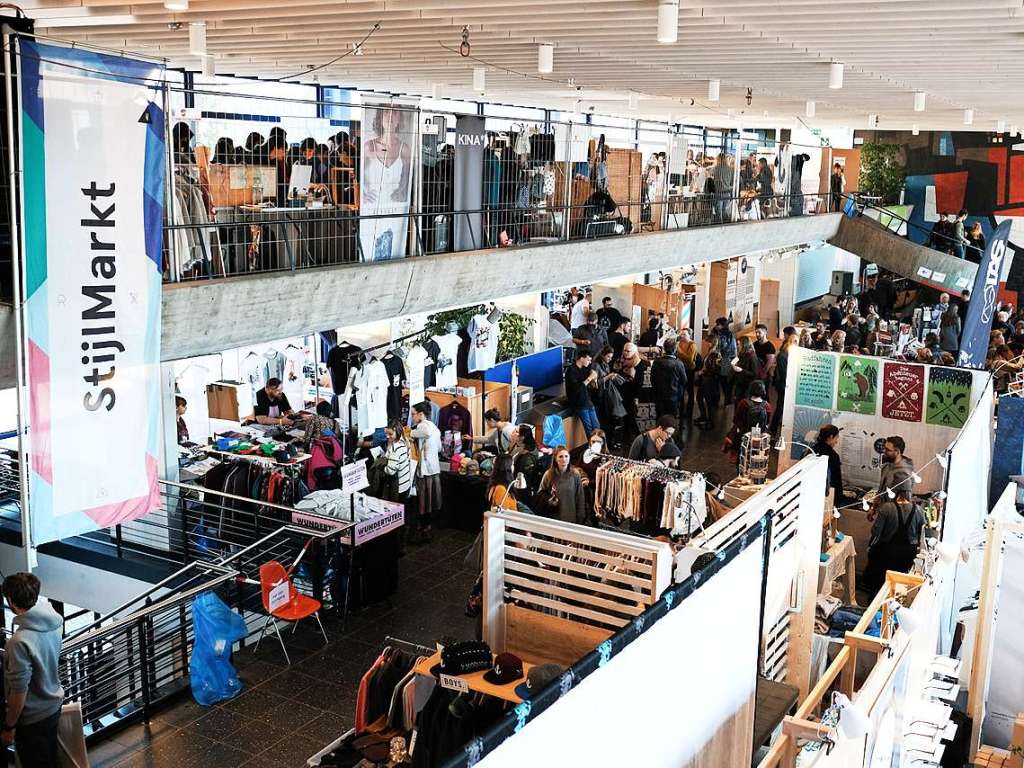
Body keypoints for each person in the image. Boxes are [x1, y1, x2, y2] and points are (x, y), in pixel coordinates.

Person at [1, 573, 64, 768]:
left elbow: (19, 692)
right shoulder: (54, 621)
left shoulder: (18, 642)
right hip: (53, 705)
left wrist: (9, 726)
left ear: (11, 601)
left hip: (32, 718)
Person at [863, 486, 927, 594]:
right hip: (908, 554)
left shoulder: (886, 508)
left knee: (881, 583)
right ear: (909, 494)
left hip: (888, 552)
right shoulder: (919, 510)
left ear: (895, 493)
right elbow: (922, 533)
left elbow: (875, 532)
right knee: (900, 585)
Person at [410, 402, 442, 543]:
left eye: (413, 414)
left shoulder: (423, 426)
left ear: (420, 414)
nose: (412, 417)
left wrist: (409, 432)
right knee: (430, 500)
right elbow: (440, 448)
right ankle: (427, 527)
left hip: (426, 469)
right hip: (434, 467)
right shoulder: (434, 427)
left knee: (423, 501)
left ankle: (423, 528)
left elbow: (425, 433)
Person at [537, 446, 586, 524]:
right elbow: (541, 493)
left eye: (566, 456)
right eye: (560, 456)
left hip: (571, 517)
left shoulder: (575, 474)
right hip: (553, 517)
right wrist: (549, 500)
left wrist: (581, 516)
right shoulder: (548, 474)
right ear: (556, 459)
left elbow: (580, 497)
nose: (564, 459)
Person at [812, 425, 856, 505]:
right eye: (836, 438)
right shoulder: (833, 456)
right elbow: (836, 482)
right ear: (831, 437)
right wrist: (840, 499)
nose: (836, 441)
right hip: (827, 499)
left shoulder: (810, 451)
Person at [731, 381, 773, 458]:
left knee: (742, 458)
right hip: (759, 438)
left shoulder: (743, 403)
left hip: (745, 435)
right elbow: (767, 423)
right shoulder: (767, 406)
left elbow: (736, 420)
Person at [565, 350, 600, 437]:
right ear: (581, 358)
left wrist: (594, 380)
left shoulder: (585, 369)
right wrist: (589, 378)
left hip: (588, 401)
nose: (590, 362)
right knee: (589, 430)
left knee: (597, 428)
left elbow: (593, 388)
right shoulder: (571, 371)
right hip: (579, 404)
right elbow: (577, 389)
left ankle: (599, 447)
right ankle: (592, 448)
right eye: (588, 359)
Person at [650, 338, 688, 423]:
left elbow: (652, 379)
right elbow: (684, 380)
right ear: (675, 349)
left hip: (659, 395)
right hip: (674, 396)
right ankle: (670, 435)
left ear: (664, 348)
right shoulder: (679, 363)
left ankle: (658, 435)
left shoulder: (657, 362)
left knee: (659, 417)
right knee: (671, 419)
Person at [770, 327, 798, 434]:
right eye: (794, 341)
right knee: (780, 407)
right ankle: (773, 429)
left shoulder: (793, 354)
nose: (796, 343)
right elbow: (783, 373)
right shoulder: (783, 355)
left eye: (797, 341)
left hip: (789, 385)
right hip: (783, 386)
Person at [877, 436, 915, 502]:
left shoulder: (903, 474)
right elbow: (881, 490)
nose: (884, 451)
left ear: (897, 452)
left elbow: (904, 502)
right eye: (884, 448)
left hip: (891, 510)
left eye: (887, 450)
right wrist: (873, 507)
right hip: (881, 508)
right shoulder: (887, 466)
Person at [382, 419, 412, 503]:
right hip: (406, 482)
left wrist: (383, 468)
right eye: (386, 434)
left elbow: (391, 471)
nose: (388, 436)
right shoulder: (405, 442)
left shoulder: (395, 448)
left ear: (396, 431)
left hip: (397, 486)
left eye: (390, 434)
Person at [675, 329, 701, 421]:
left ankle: (689, 412)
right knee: (681, 390)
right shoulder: (680, 343)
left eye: (684, 334)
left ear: (689, 335)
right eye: (681, 334)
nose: (682, 336)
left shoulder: (692, 345)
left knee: (689, 391)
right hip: (680, 369)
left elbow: (690, 359)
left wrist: (679, 352)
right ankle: (681, 411)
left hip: (689, 371)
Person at [694, 351, 722, 431]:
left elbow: (715, 370)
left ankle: (710, 423)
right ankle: (703, 416)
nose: (706, 342)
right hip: (704, 380)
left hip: (710, 383)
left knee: (710, 403)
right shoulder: (709, 352)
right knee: (699, 398)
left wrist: (703, 372)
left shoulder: (717, 355)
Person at [713, 318, 737, 404]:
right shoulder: (717, 333)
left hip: (726, 361)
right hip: (720, 361)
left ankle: (727, 400)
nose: (716, 326)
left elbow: (730, 349)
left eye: (718, 324)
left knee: (726, 382)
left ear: (722, 325)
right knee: (721, 381)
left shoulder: (729, 335)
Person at [733, 336, 759, 403]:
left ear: (744, 345)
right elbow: (733, 361)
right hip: (740, 383)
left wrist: (741, 370)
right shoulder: (741, 354)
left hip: (747, 386)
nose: (737, 346)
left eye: (738, 344)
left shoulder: (752, 356)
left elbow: (755, 374)